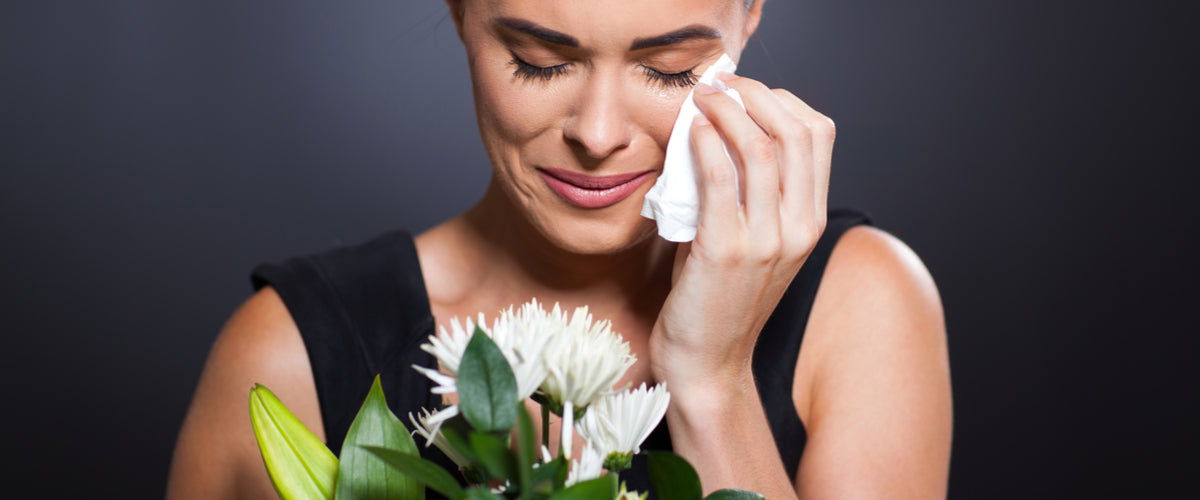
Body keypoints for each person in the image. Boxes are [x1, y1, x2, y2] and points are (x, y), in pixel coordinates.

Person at [166, 0, 952, 498]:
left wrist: (711, 382)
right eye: (539, 62)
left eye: (669, 69)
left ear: (749, 13)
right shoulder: (290, 354)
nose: (598, 134)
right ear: (461, 12)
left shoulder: (862, 305)